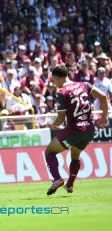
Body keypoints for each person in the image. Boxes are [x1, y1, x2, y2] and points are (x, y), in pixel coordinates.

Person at [45, 65, 108, 195]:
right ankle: (70, 184)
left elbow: (61, 119)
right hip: (90, 129)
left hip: (75, 129)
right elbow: (103, 96)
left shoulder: (62, 92)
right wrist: (105, 116)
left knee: (49, 151)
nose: (53, 82)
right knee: (75, 155)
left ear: (57, 78)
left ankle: (57, 179)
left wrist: (54, 124)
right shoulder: (84, 84)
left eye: (53, 79)